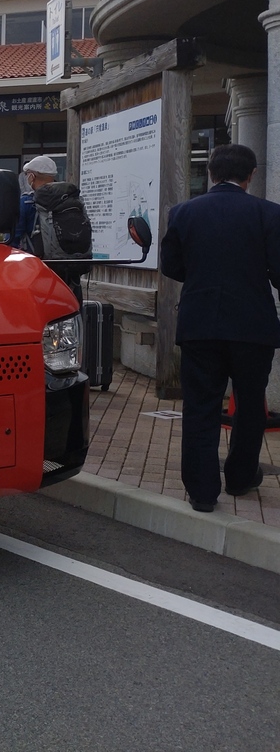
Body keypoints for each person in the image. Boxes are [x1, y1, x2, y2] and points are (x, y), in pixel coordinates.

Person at [160, 143, 280, 513]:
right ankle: (240, 477)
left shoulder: (183, 212)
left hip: (199, 323)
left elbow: (171, 266)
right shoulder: (270, 214)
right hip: (253, 326)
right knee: (250, 405)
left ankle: (202, 491)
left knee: (200, 406)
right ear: (251, 175)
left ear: (211, 173)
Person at [9, 155, 58, 247]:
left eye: (27, 174)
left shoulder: (26, 202)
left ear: (32, 176)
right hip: (69, 255)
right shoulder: (66, 198)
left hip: (34, 255)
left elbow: (12, 239)